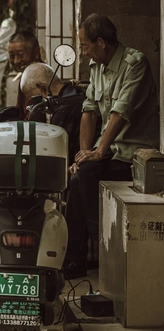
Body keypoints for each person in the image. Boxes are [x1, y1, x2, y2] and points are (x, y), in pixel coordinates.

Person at [64, 14, 159, 279]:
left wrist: (99, 151)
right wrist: (84, 154)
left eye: (85, 45)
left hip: (133, 153)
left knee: (86, 177)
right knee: (77, 178)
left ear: (101, 42)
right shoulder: (97, 67)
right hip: (107, 149)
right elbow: (89, 110)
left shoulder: (135, 63)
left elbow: (120, 112)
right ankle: (76, 259)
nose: (83, 53)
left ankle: (103, 247)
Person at [21, 63, 85, 163]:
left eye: (32, 98)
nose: (32, 104)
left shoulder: (64, 110)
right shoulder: (76, 92)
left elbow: (58, 154)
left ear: (41, 88)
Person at [8, 32, 43, 117]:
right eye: (12, 56)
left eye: (20, 55)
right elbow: (19, 112)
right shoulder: (25, 77)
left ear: (36, 53)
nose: (16, 61)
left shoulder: (42, 78)